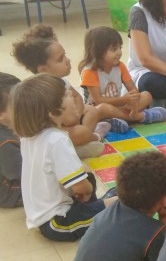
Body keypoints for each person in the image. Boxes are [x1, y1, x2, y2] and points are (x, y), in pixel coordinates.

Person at [12, 74, 118, 241]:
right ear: (52, 113)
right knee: (124, 203)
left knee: (91, 180)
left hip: (44, 214)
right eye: (66, 95)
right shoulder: (57, 140)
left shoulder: (29, 137)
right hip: (59, 222)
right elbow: (82, 188)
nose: (72, 96)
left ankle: (102, 204)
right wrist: (86, 190)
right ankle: (106, 205)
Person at [11, 25, 117, 158]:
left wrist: (77, 114)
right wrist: (72, 121)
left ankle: (81, 143)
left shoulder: (63, 81)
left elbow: (77, 97)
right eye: (61, 59)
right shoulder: (39, 92)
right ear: (43, 69)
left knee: (91, 110)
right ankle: (92, 137)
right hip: (56, 131)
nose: (68, 60)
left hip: (71, 121)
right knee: (80, 132)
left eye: (65, 55)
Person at [79, 26, 166, 127]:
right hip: (96, 110)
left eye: (120, 48)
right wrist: (124, 100)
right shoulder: (90, 71)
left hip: (118, 106)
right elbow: (98, 100)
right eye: (114, 49)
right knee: (103, 108)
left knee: (147, 95)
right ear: (98, 52)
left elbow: (133, 90)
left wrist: (134, 104)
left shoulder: (120, 66)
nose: (119, 52)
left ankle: (118, 119)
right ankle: (141, 116)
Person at [0, 73, 22, 208]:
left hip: (12, 173)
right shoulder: (5, 142)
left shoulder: (11, 123)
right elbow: (18, 173)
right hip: (7, 190)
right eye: (18, 102)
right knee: (53, 188)